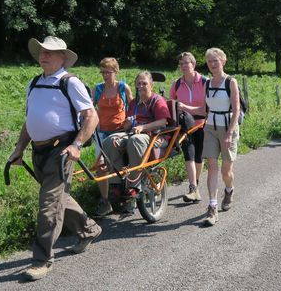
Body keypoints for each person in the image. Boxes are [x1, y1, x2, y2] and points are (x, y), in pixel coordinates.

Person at [7, 36, 102, 281]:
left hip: (61, 153)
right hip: (38, 152)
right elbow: (30, 122)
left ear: (63, 57)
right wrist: (19, 149)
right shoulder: (34, 82)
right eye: (41, 51)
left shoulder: (70, 83)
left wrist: (77, 145)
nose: (43, 55)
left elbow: (91, 117)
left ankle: (42, 260)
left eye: (50, 52)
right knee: (60, 197)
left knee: (48, 206)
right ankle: (89, 229)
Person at [102, 71, 171, 198]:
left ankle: (135, 184)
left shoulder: (157, 100)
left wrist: (143, 127)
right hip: (134, 133)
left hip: (154, 135)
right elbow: (127, 126)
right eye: (138, 83)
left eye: (144, 83)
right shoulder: (134, 103)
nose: (141, 86)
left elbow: (163, 122)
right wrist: (127, 124)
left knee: (135, 140)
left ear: (151, 84)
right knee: (110, 140)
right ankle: (116, 184)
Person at [193, 48, 240, 226]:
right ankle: (212, 206)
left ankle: (229, 189)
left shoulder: (231, 82)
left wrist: (229, 133)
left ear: (223, 61)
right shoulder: (207, 83)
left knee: (225, 171)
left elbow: (236, 110)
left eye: (215, 61)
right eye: (209, 61)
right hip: (210, 127)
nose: (212, 64)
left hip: (228, 127)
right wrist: (183, 107)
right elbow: (203, 110)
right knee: (212, 166)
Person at [92, 57, 133, 217]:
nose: (105, 75)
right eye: (102, 72)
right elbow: (90, 107)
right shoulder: (98, 89)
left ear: (115, 72)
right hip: (102, 133)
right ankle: (105, 201)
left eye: (108, 72)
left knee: (122, 165)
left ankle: (128, 198)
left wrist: (131, 123)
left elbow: (132, 108)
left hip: (120, 132)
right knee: (101, 166)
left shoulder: (123, 87)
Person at [170, 52, 207, 203]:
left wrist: (187, 107)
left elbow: (208, 107)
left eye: (187, 62)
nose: (184, 66)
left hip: (203, 124)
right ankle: (192, 187)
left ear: (194, 64)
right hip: (185, 126)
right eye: (181, 64)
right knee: (189, 155)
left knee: (199, 157)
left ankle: (196, 184)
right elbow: (171, 105)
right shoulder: (177, 84)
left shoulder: (205, 82)